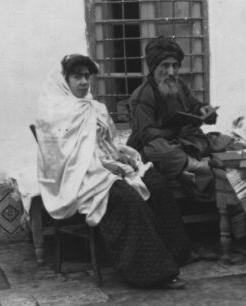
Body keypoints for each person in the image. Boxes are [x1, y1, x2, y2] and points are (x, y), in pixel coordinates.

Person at [36, 54, 191, 289]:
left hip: (106, 164)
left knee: (156, 183)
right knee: (126, 198)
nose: (84, 82)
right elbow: (60, 157)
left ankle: (175, 254)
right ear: (64, 80)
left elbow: (108, 142)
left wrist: (119, 155)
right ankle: (152, 272)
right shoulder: (53, 113)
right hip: (79, 174)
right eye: (77, 77)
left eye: (87, 76)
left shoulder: (94, 107)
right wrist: (102, 165)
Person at [127, 36, 234, 202]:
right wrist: (175, 130)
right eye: (165, 65)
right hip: (161, 146)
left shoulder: (179, 84)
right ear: (153, 67)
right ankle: (200, 167)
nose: (171, 72)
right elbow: (146, 135)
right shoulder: (142, 95)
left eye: (175, 66)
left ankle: (190, 165)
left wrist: (204, 110)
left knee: (225, 141)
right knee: (158, 150)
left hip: (185, 141)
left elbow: (194, 105)